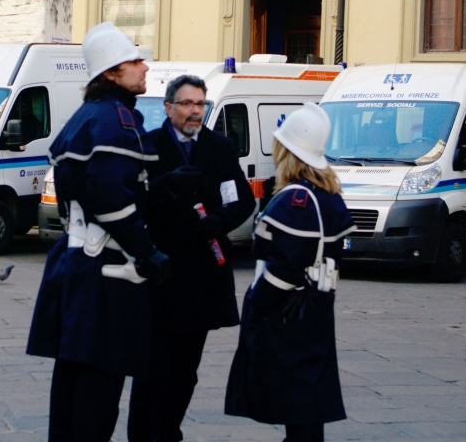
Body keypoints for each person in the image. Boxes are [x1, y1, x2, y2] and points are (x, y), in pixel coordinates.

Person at [26, 22, 172, 442]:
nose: (145, 67)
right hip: (106, 269)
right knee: (98, 392)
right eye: (134, 61)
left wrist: (162, 186)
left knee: (72, 384)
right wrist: (146, 251)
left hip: (78, 263)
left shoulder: (88, 114)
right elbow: (110, 196)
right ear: (111, 72)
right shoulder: (115, 119)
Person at [127, 75, 255, 442]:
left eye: (199, 104)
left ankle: (170, 432)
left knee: (186, 369)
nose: (194, 111)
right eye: (186, 104)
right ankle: (143, 435)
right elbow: (133, 200)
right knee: (152, 367)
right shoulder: (149, 145)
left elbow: (242, 200)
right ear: (168, 108)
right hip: (160, 272)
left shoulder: (220, 147)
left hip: (202, 275)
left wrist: (220, 221)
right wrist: (164, 185)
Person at [225, 104, 355, 442]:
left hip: (287, 314)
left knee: (298, 404)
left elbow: (286, 266)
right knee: (307, 402)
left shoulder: (297, 199)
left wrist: (257, 303)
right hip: (316, 309)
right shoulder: (328, 195)